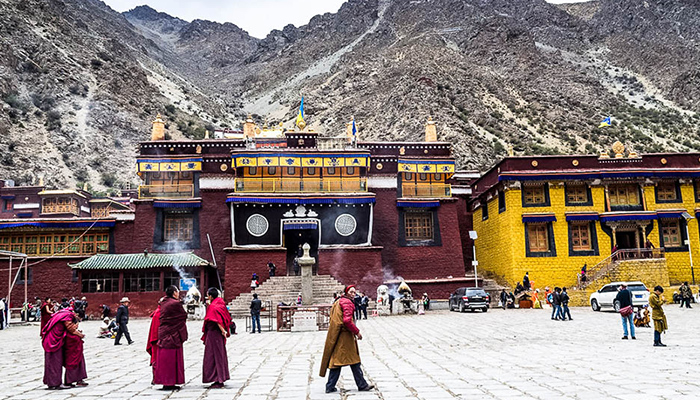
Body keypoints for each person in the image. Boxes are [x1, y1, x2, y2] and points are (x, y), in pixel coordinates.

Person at [319, 285, 375, 394]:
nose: (353, 294)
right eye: (351, 292)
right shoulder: (347, 303)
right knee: (353, 360)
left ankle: (330, 386)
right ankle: (361, 385)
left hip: (339, 335)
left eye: (354, 292)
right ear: (346, 292)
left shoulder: (339, 301)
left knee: (339, 361)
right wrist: (357, 332)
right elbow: (347, 320)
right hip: (345, 336)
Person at [41, 307, 88, 389]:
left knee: (53, 362)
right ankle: (54, 383)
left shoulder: (64, 313)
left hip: (54, 338)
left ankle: (53, 382)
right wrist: (80, 335)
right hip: (54, 340)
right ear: (76, 315)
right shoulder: (68, 316)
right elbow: (70, 328)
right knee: (55, 362)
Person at [154, 286, 188, 390]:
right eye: (177, 291)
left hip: (164, 333)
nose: (178, 293)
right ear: (174, 293)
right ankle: (170, 382)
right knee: (171, 359)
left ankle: (166, 381)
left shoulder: (164, 302)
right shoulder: (175, 303)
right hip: (172, 334)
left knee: (165, 359)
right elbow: (183, 315)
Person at [202, 288, 231, 388]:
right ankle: (221, 377)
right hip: (218, 335)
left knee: (213, 356)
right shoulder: (220, 304)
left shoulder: (213, 306)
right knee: (219, 355)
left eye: (207, 295)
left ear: (210, 296)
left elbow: (216, 320)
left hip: (214, 334)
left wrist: (223, 331)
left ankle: (218, 379)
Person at [146, 299, 162, 384]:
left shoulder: (160, 312)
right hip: (157, 340)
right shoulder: (158, 313)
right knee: (156, 359)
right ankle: (155, 378)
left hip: (160, 339)